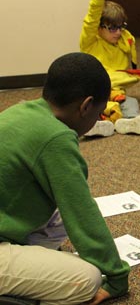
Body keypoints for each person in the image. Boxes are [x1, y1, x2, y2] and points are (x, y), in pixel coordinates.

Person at [0, 53, 130, 304]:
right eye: (99, 113)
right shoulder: (57, 139)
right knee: (86, 278)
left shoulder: (21, 110)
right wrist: (116, 276)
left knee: (57, 217)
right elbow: (82, 213)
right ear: (86, 106)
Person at [80, 0, 140, 137]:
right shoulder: (91, 42)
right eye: (112, 28)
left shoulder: (124, 42)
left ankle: (131, 121)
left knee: (131, 102)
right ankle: (97, 125)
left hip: (118, 93)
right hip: (96, 93)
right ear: (99, 28)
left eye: (120, 27)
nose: (117, 32)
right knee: (89, 107)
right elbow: (92, 17)